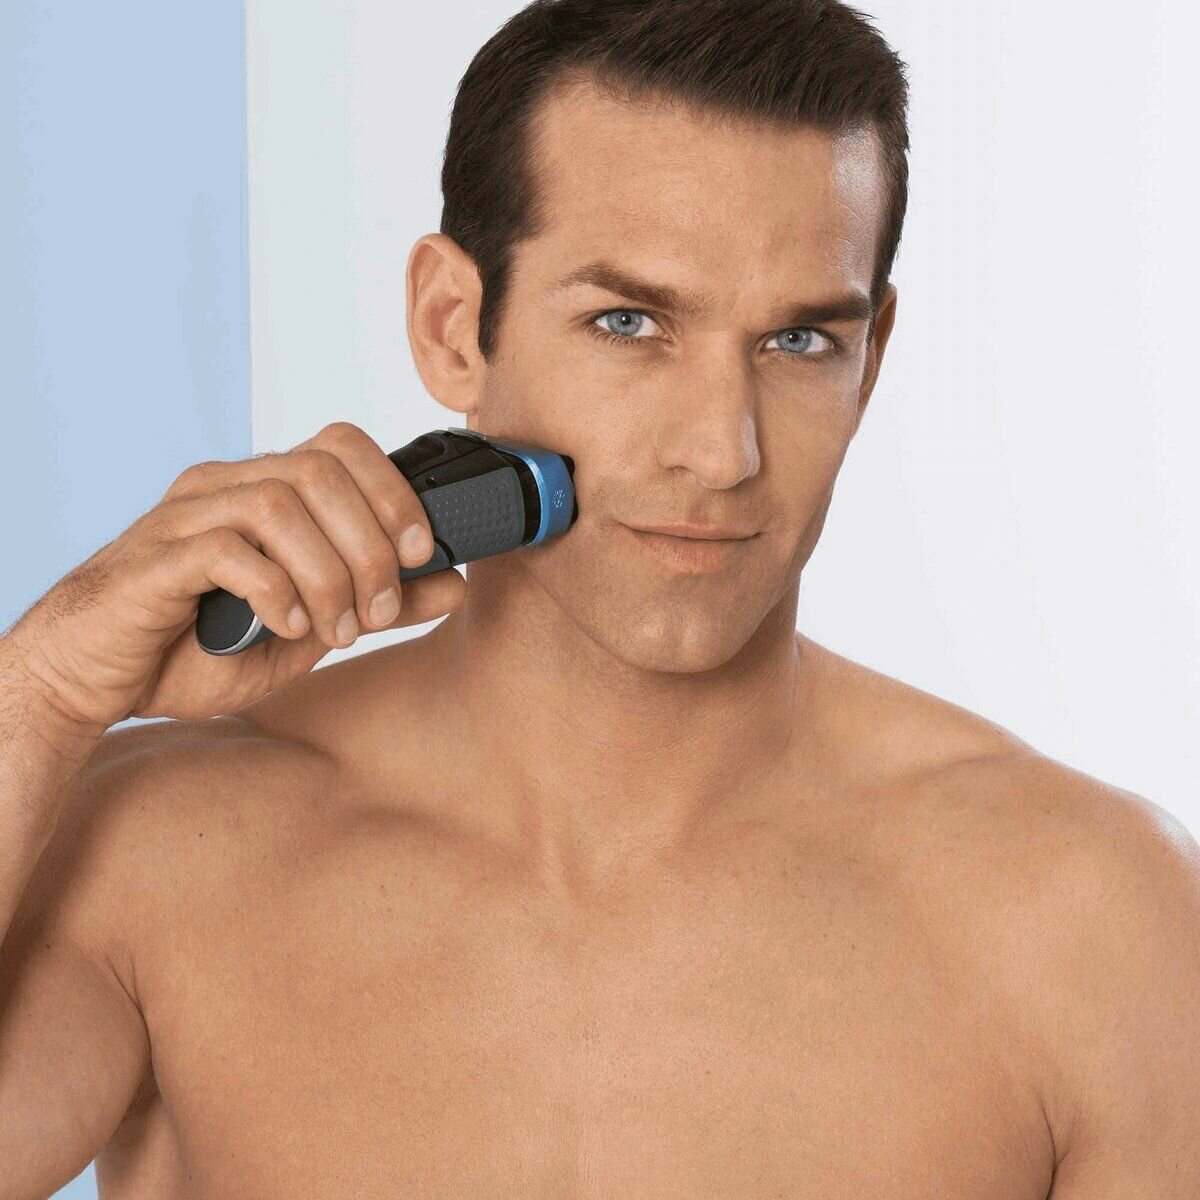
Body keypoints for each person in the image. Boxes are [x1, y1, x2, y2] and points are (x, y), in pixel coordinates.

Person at [3, 0, 1198, 1195]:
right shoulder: (159, 855)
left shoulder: (1092, 923)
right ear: (452, 327)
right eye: (628, 323)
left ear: (870, 358)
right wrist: (41, 690)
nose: (720, 452)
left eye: (798, 343)